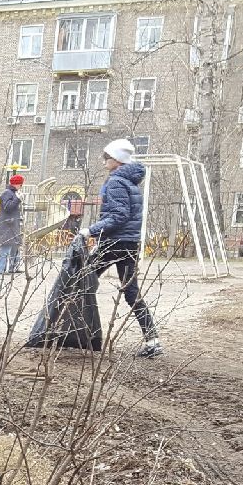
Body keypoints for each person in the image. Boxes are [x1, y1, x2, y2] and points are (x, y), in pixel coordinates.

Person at [80, 139, 161, 359]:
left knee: (81, 281)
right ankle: (152, 339)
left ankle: (74, 331)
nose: (104, 161)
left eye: (107, 157)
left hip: (113, 242)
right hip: (130, 243)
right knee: (131, 291)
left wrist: (91, 231)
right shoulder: (131, 181)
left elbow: (118, 216)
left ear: (117, 160)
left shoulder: (116, 182)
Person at [0, 173, 24, 275]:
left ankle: (13, 267)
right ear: (17, 184)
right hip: (7, 226)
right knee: (5, 247)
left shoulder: (12, 193)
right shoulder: (7, 193)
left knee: (15, 247)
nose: (21, 186)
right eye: (21, 184)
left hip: (12, 225)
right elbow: (7, 207)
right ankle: (0, 269)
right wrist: (17, 199)